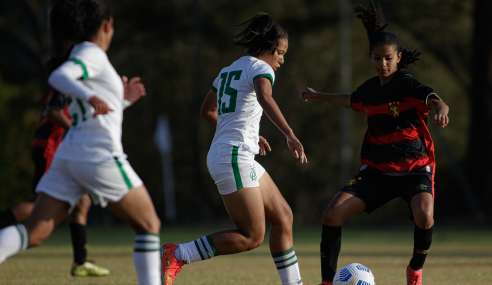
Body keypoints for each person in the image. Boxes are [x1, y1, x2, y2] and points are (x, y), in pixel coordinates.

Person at [0, 1, 162, 284]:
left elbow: (94, 115)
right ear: (106, 26)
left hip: (69, 155)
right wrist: (92, 97)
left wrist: (122, 100)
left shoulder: (80, 53)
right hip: (98, 156)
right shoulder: (92, 54)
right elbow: (59, 77)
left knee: (34, 232)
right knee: (149, 225)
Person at [299, 1, 449, 285]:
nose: (383, 64)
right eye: (377, 58)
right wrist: (318, 95)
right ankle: (327, 282)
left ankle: (415, 269)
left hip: (415, 169)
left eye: (388, 58)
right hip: (377, 171)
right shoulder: (369, 90)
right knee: (331, 214)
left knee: (425, 215)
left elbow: (434, 99)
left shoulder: (406, 84)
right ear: (370, 57)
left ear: (398, 57)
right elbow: (351, 101)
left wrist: (441, 109)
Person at [161, 13, 307, 285]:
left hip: (232, 153)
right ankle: (178, 254)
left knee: (283, 215)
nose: (282, 60)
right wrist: (289, 134)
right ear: (266, 48)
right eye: (280, 52)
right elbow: (264, 97)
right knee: (252, 236)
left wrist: (250, 133)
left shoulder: (228, 70)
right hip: (233, 156)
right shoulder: (261, 68)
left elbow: (207, 110)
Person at [0, 57, 109, 277]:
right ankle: (79, 261)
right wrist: (76, 129)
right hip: (51, 148)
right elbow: (52, 111)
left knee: (81, 202)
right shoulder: (65, 85)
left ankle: (80, 261)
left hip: (50, 147)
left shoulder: (67, 86)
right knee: (40, 206)